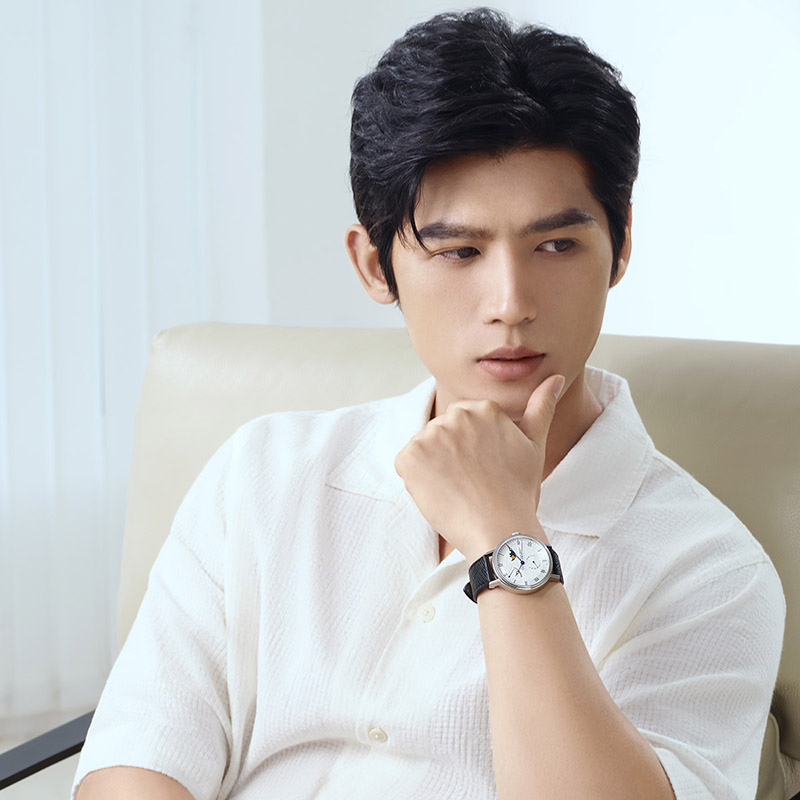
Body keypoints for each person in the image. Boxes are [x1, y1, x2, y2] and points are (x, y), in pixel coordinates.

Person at [72, 8, 785, 800]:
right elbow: (135, 763)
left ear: (619, 247)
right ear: (375, 267)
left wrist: (506, 541)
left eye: (556, 245)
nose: (510, 303)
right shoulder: (265, 474)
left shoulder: (709, 569)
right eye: (458, 251)